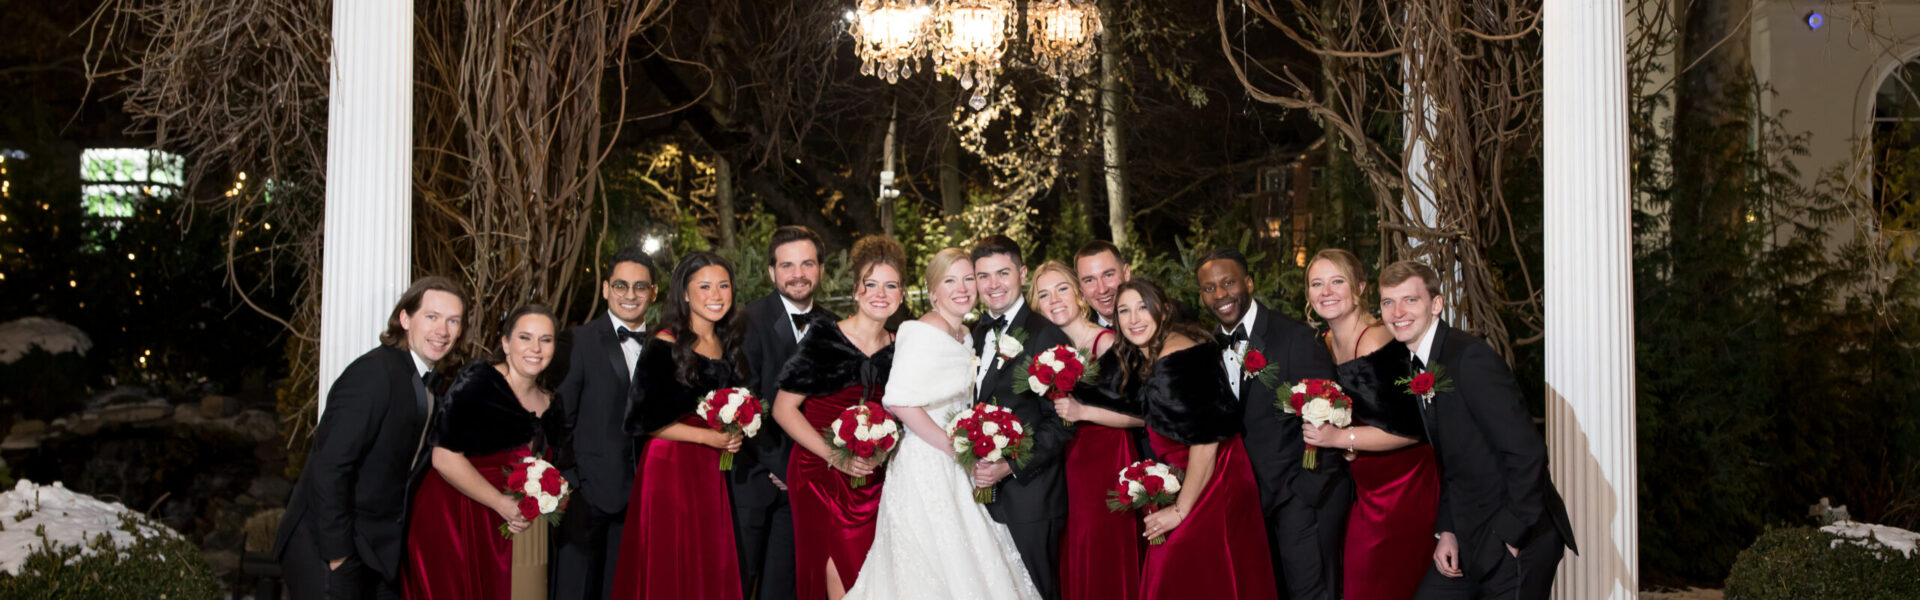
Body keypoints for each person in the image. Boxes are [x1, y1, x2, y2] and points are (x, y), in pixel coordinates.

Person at [842, 248, 1042, 600]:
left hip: (957, 460)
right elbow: (900, 401)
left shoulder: (966, 333)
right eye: (950, 280)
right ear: (933, 291)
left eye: (969, 279)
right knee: (930, 560)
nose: (962, 288)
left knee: (969, 555)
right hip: (926, 459)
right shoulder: (923, 330)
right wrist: (953, 447)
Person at [1376, 260, 1576, 600]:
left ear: (1436, 305)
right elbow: (1454, 461)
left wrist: (1511, 537)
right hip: (1469, 534)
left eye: (1410, 300)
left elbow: (1527, 452)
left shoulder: (1470, 359)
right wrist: (1448, 530)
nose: (1398, 312)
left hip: (1515, 535)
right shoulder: (1421, 362)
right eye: (1388, 302)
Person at [275, 276, 467, 600]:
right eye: (432, 317)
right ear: (405, 319)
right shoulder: (375, 373)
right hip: (330, 547)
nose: (442, 330)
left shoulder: (427, 382)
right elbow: (331, 465)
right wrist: (338, 556)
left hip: (375, 551)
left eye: (453, 321)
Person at [1193, 247, 1343, 599]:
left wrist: (1308, 492)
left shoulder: (1295, 337)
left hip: (1300, 500)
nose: (1220, 295)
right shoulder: (1206, 348)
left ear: (1248, 282)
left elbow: (1330, 411)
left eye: (1228, 282)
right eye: (1209, 288)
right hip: (1244, 505)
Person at [1114, 279, 1276, 600]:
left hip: (1214, 479)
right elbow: (1156, 414)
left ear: (1162, 309)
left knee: (1178, 573)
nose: (1134, 318)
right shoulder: (1161, 351)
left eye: (1143, 307)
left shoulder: (1176, 360)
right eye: (1124, 310)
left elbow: (1205, 441)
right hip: (1201, 474)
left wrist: (1180, 511)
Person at [1298, 249, 1438, 600]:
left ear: (1359, 286)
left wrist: (1338, 438)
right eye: (1317, 283)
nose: (1326, 291)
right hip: (1363, 488)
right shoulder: (1323, 342)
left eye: (1337, 281)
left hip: (1402, 488)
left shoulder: (1376, 339)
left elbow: (1409, 430)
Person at [610, 252, 751, 600]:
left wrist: (734, 432)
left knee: (707, 561)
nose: (715, 295)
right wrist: (708, 437)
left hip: (710, 469)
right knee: (672, 562)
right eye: (704, 286)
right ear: (685, 294)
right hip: (670, 467)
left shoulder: (728, 343)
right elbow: (640, 420)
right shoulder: (666, 341)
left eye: (723, 285)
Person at [770, 236, 904, 599]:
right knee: (838, 578)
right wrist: (835, 457)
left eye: (890, 285)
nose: (880, 293)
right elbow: (783, 409)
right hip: (819, 473)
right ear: (856, 292)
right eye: (870, 284)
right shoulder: (825, 336)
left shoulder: (901, 348)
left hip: (872, 474)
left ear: (902, 294)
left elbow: (903, 418)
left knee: (873, 577)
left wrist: (882, 453)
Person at [404, 305, 565, 600]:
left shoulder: (551, 401)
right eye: (525, 338)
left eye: (546, 340)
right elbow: (443, 457)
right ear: (505, 343)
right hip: (451, 515)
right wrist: (501, 503)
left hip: (500, 523)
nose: (535, 348)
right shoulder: (478, 382)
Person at [1027, 260, 1142, 600]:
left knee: (1102, 545)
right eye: (1044, 294)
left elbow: (1142, 416)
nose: (1055, 300)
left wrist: (1084, 411)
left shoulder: (1105, 342)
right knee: (1072, 544)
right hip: (1064, 461)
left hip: (1105, 458)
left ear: (1078, 294)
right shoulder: (1042, 349)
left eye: (1062, 289)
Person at [968, 235, 1072, 599]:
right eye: (984, 276)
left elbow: (1061, 423)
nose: (993, 284)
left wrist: (1010, 465)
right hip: (982, 496)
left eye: (1002, 273)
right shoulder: (975, 333)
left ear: (1022, 273)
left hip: (1032, 497)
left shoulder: (1047, 335)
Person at [553, 247, 659, 600]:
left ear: (654, 292)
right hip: (587, 497)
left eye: (640, 287)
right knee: (576, 590)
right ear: (605, 289)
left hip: (644, 498)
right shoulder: (577, 341)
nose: (630, 295)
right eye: (621, 285)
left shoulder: (666, 346)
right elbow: (560, 419)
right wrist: (573, 483)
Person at [739, 226, 830, 600]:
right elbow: (743, 400)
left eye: (807, 263)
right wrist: (781, 465)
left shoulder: (833, 325)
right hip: (758, 475)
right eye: (787, 265)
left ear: (821, 269)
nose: (798, 274)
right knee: (742, 580)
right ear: (772, 272)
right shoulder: (747, 321)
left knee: (788, 584)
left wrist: (804, 466)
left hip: (810, 480)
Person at [1073, 240, 1130, 329]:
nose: (1102, 290)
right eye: (1089, 280)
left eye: (1108, 275)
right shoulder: (1078, 337)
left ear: (1126, 274)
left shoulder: (1156, 318)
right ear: (1080, 287)